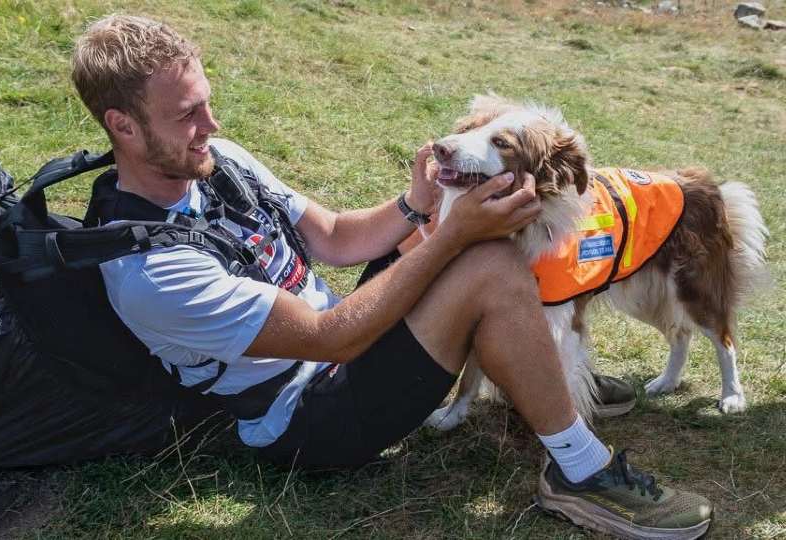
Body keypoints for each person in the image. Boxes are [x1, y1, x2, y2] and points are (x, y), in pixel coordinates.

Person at [70, 14, 713, 539]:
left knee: (439, 236)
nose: (211, 126)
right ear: (122, 125)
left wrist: (418, 206)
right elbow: (330, 339)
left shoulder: (216, 159)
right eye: (188, 114)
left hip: (342, 349)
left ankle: (537, 376)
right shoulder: (150, 272)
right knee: (487, 262)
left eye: (207, 103)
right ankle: (579, 470)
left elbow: (332, 236)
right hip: (308, 417)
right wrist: (454, 236)